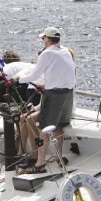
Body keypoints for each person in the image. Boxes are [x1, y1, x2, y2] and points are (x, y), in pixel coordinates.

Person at [14, 27, 76, 174]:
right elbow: (63, 75)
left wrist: (18, 80)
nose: (43, 41)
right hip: (68, 95)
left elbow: (34, 75)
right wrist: (46, 86)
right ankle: (59, 158)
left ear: (48, 39)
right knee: (58, 126)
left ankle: (40, 163)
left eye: (43, 39)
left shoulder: (47, 53)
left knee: (43, 129)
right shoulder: (66, 51)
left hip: (54, 95)